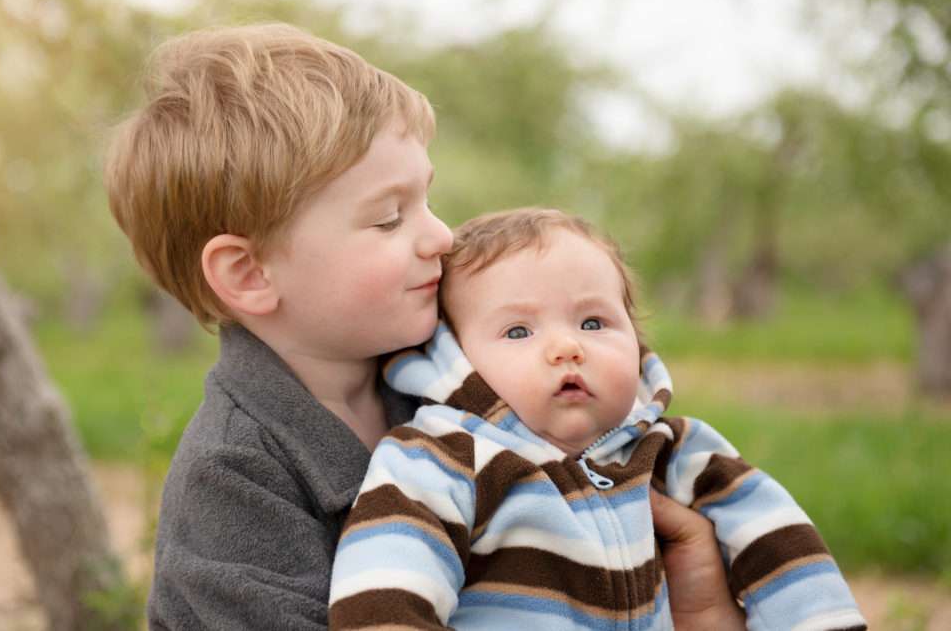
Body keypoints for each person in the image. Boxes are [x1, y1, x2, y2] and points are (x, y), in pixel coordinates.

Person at [106, 23, 752, 630]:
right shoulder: (235, 479)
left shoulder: (454, 374)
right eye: (390, 218)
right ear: (249, 273)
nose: (440, 235)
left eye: (426, 199)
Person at [329, 208, 866, 630]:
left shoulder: (674, 450)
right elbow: (387, 588)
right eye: (519, 331)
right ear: (456, 357)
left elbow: (780, 545)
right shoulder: (443, 456)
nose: (567, 347)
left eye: (593, 321)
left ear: (636, 340)